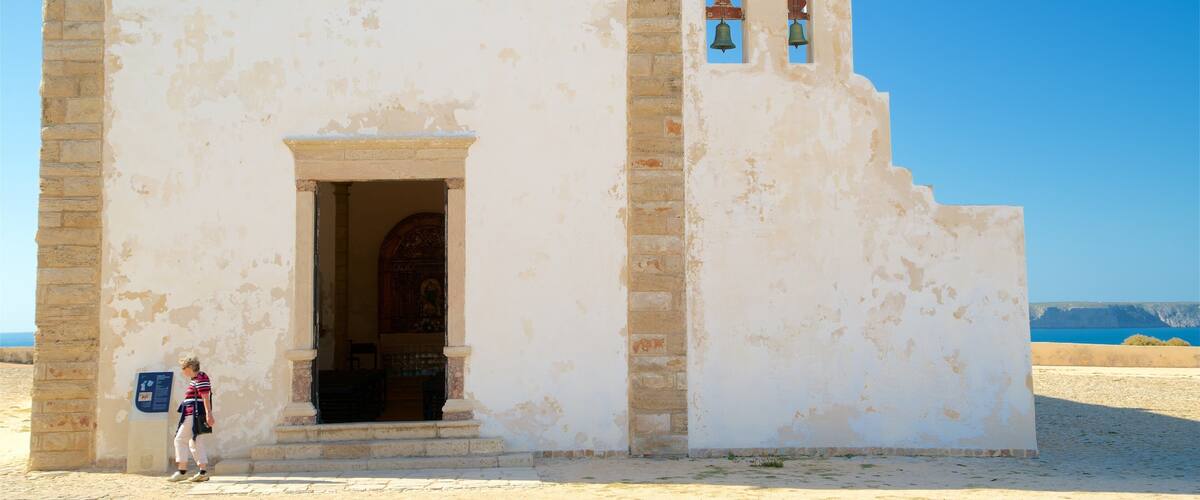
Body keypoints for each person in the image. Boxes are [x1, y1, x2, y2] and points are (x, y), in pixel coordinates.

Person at [168, 356, 214, 482]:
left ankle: (182, 471)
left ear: (189, 367)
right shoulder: (197, 378)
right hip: (192, 414)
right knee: (195, 441)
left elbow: (205, 396)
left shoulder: (201, 377)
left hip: (193, 414)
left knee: (180, 439)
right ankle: (203, 472)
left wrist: (209, 414)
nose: (182, 371)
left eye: (183, 368)